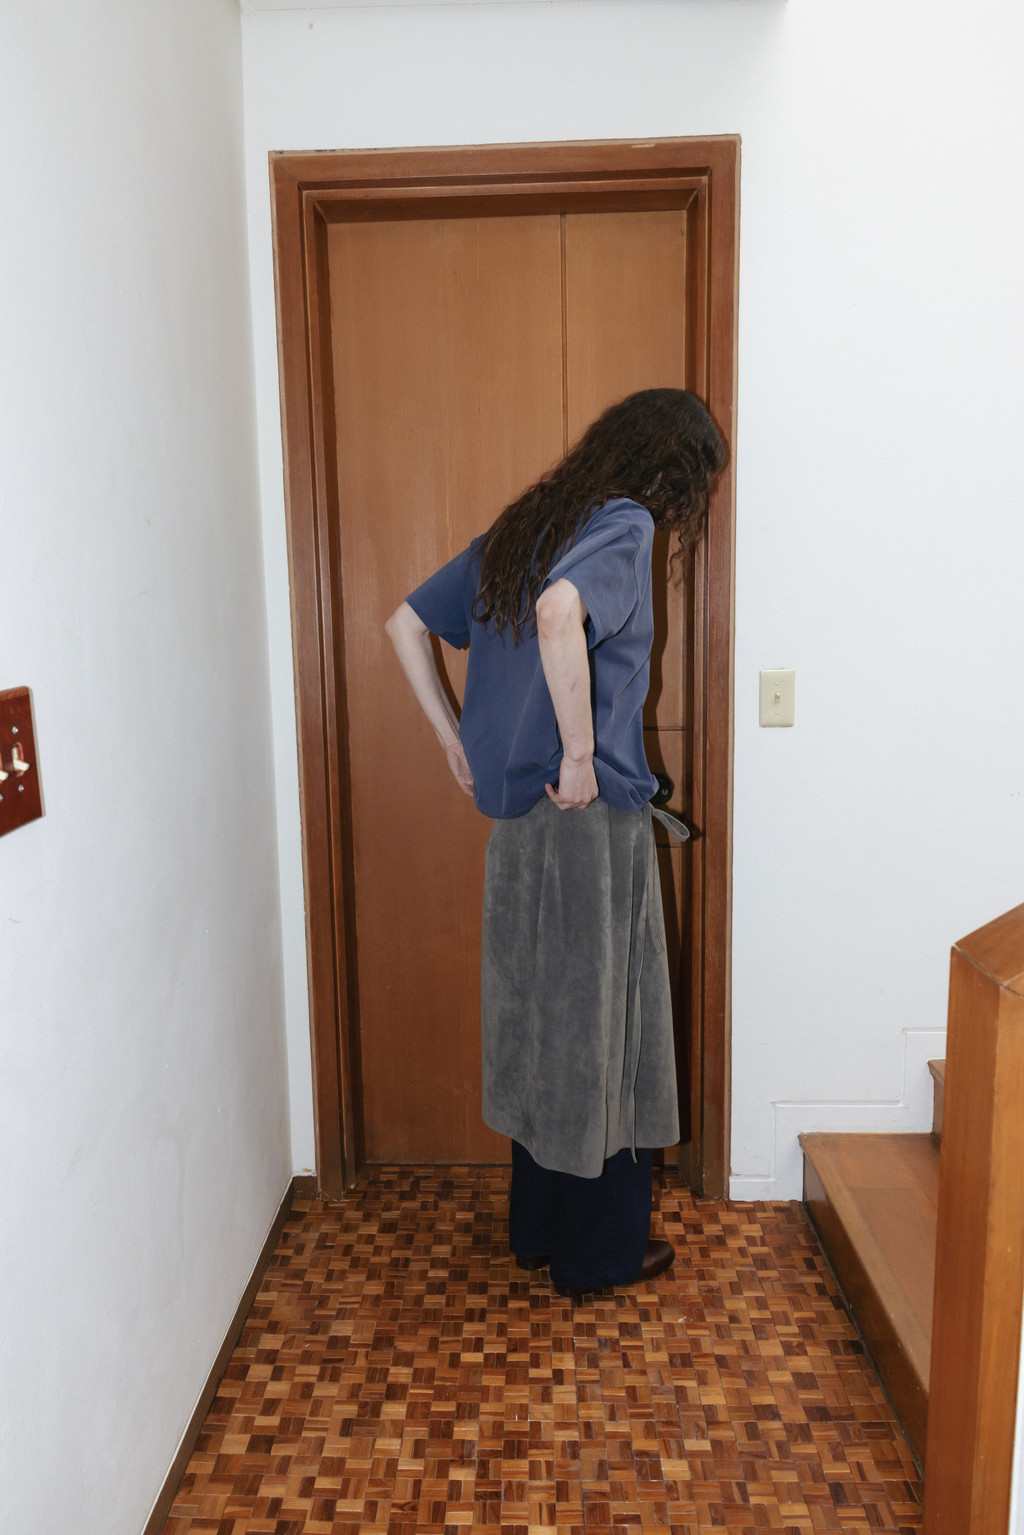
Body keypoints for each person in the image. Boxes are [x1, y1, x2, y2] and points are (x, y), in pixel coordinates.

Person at [385, 387, 725, 1298]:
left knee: (539, 1025)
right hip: (586, 827)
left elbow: (403, 623)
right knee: (601, 1033)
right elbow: (558, 611)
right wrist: (579, 754)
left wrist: (451, 738)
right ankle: (595, 1254)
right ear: (672, 470)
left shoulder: (522, 528)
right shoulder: (622, 522)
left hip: (516, 836)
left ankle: (536, 1231)